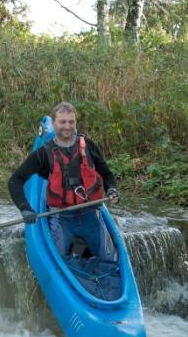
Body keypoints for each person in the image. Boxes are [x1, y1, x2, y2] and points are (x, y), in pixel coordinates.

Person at [8, 102, 121, 260]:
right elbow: (15, 181)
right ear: (54, 124)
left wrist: (111, 189)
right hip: (62, 216)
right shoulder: (42, 154)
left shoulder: (88, 146)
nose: (67, 126)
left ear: (75, 123)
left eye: (71, 122)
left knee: (109, 260)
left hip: (90, 213)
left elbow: (107, 174)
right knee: (58, 258)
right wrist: (25, 208)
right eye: (62, 122)